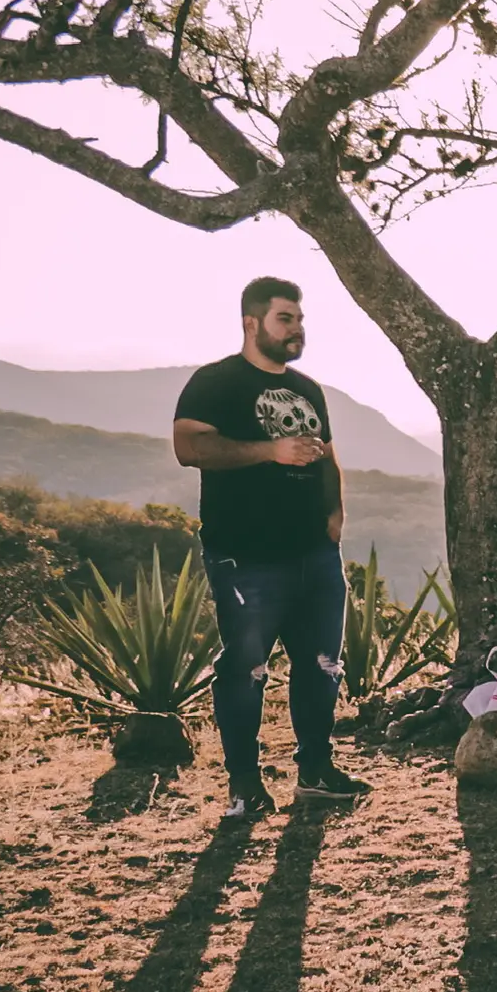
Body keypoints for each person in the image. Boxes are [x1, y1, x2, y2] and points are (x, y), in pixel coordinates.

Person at [172, 277, 371, 819]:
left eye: (300, 319)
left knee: (322, 665)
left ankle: (316, 773)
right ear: (252, 323)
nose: (297, 328)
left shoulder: (308, 389)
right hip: (246, 556)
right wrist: (271, 451)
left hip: (315, 554)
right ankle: (245, 787)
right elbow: (190, 447)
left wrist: (335, 517)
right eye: (286, 318)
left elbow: (327, 457)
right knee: (246, 669)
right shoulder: (215, 382)